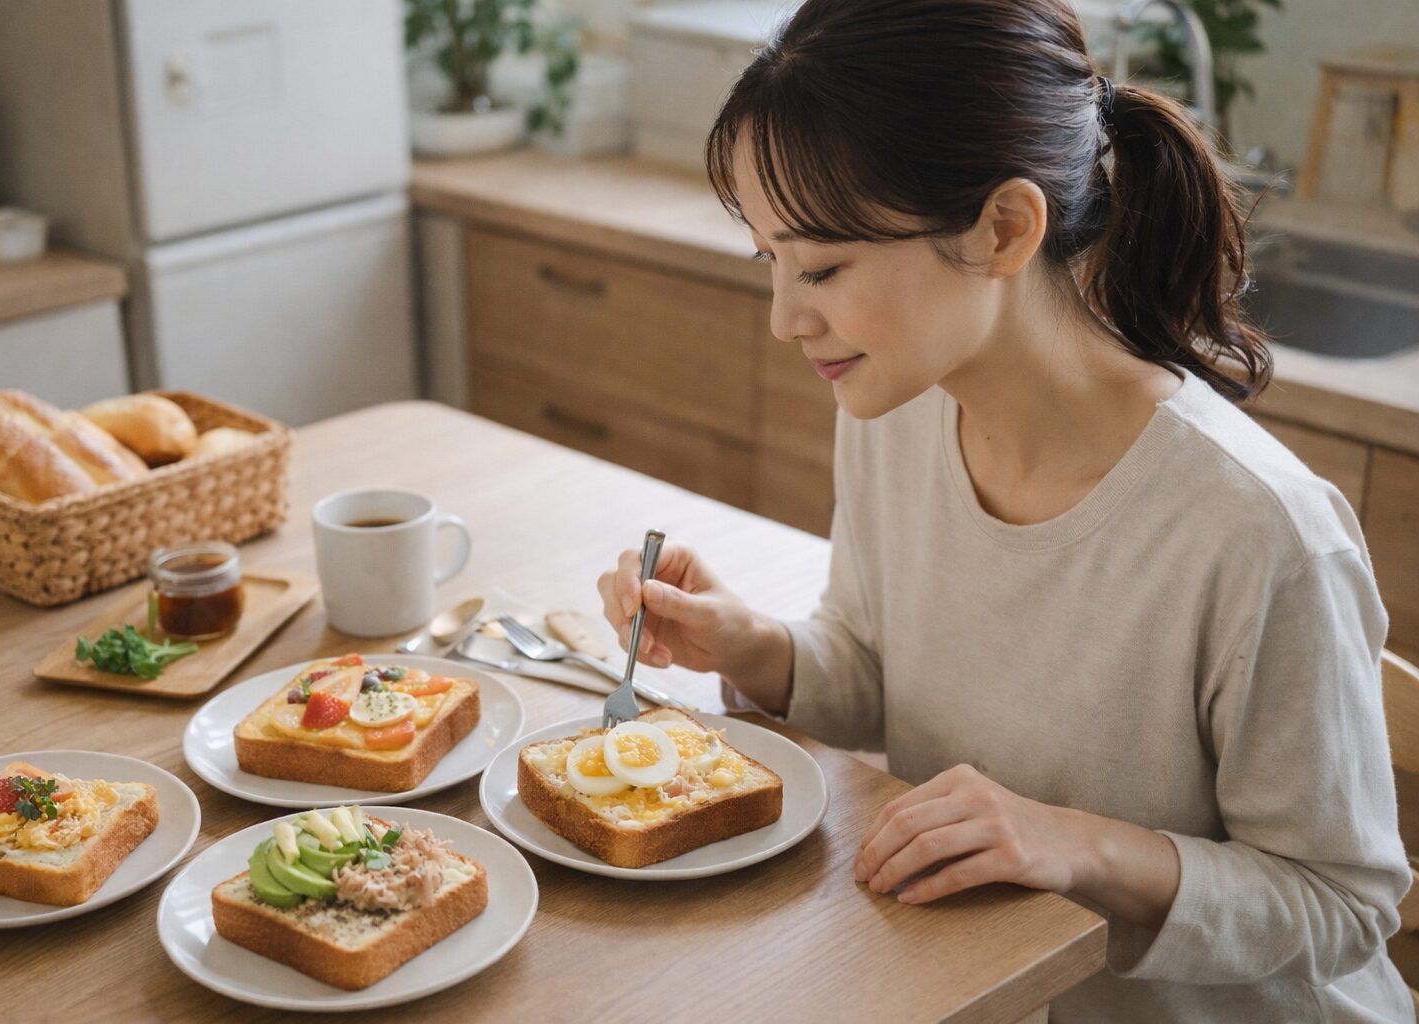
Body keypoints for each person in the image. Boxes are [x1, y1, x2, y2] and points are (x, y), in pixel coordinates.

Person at [596, 1, 1411, 1019]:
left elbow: (1344, 900)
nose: (785, 319)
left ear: (1005, 227)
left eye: (826, 267)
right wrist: (758, 651)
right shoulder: (893, 406)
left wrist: (1074, 844)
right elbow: (889, 671)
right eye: (773, 263)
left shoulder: (1259, 530)